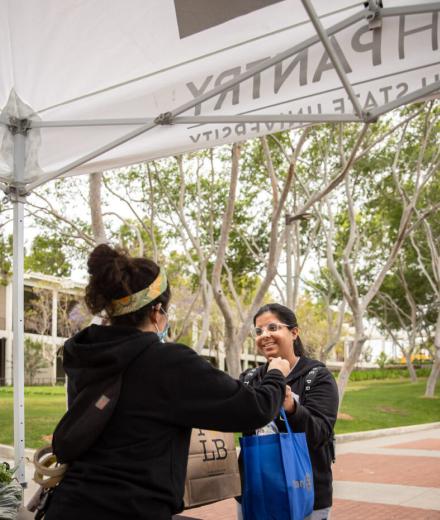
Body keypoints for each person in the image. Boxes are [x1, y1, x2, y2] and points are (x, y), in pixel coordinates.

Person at [44, 245, 290, 520]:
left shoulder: (87, 355)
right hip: (131, 509)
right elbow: (252, 409)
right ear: (156, 311)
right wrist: (276, 375)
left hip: (69, 505)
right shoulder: (167, 361)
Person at [238, 303, 339, 520]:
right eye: (259, 331)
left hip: (304, 493)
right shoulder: (249, 379)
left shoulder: (316, 377)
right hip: (256, 493)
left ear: (294, 332)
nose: (265, 335)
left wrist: (292, 408)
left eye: (273, 328)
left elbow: (320, 433)